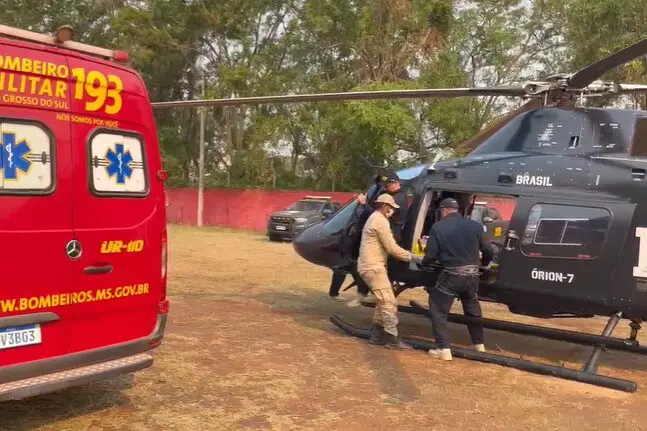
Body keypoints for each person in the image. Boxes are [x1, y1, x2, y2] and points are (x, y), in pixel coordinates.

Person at [421, 197, 494, 361]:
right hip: (473, 277)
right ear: (458, 211)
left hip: (452, 277)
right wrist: (484, 264)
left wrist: (423, 262)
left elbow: (431, 256)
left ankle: (444, 349)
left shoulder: (438, 227)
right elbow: (489, 250)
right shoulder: (475, 226)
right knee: (472, 311)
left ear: (443, 210)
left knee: (438, 310)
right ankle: (479, 346)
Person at [357, 193, 423, 349]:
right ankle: (392, 338)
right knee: (389, 302)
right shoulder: (380, 221)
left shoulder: (375, 218)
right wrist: (414, 257)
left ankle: (377, 335)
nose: (393, 210)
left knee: (382, 300)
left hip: (370, 266)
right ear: (384, 206)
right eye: (391, 207)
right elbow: (392, 248)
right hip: (373, 267)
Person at [331, 171, 403, 307]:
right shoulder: (392, 195)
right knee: (359, 265)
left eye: (387, 186)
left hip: (386, 236)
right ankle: (370, 293)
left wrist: (364, 204)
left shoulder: (398, 199)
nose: (385, 188)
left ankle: (375, 295)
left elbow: (378, 214)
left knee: (373, 267)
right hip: (381, 234)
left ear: (395, 183)